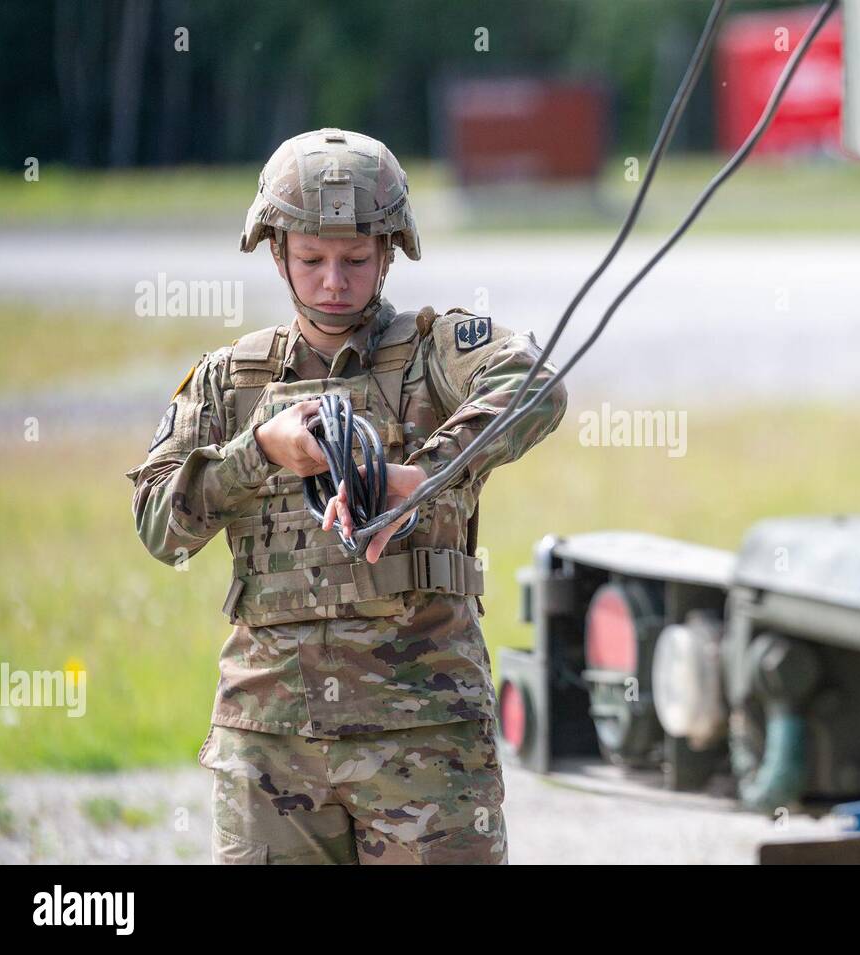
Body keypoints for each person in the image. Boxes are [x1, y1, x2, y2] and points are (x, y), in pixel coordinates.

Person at [125, 127, 568, 864]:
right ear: (277, 254)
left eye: (357, 260)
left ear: (389, 253)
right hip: (272, 738)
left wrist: (421, 475)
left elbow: (537, 386)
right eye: (313, 260)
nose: (335, 279)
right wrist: (258, 452)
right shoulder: (231, 382)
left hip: (424, 739)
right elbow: (157, 523)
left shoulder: (435, 354)